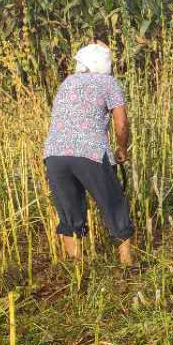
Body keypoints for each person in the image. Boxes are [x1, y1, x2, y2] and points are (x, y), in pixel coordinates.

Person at [42, 42, 136, 265]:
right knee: (114, 203)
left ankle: (76, 268)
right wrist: (122, 149)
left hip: (54, 154)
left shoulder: (66, 83)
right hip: (91, 153)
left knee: (69, 211)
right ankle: (127, 263)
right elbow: (121, 123)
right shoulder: (109, 82)